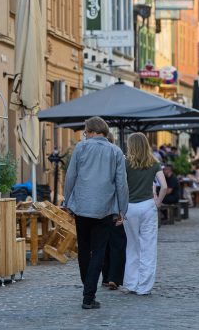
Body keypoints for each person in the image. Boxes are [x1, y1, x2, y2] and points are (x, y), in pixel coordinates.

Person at [63, 117, 128, 310]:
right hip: (105, 208)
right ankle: (88, 294)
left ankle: (88, 286)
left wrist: (68, 201)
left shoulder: (81, 148)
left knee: (84, 248)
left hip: (82, 206)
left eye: (85, 132)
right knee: (99, 250)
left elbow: (70, 177)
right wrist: (122, 209)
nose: (85, 135)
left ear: (91, 131)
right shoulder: (116, 151)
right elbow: (121, 183)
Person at [122, 133, 168, 296]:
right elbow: (164, 186)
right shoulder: (154, 163)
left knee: (132, 245)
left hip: (130, 207)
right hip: (148, 206)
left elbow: (120, 187)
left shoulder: (125, 163)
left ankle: (131, 283)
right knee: (148, 246)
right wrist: (158, 202)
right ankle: (144, 287)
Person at [102, 131, 127, 290]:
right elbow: (122, 184)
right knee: (118, 243)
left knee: (103, 243)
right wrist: (122, 209)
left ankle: (105, 277)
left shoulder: (96, 159)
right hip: (114, 205)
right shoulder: (118, 157)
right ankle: (114, 277)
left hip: (98, 207)